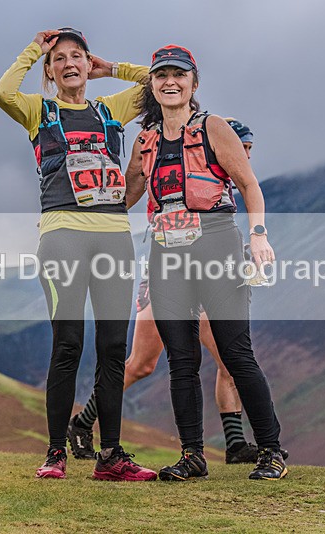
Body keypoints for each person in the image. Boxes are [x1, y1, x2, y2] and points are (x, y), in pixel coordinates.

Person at [68, 119, 288, 465]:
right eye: (242, 148)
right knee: (143, 365)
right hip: (167, 275)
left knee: (229, 359)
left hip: (207, 271)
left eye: (249, 150)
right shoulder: (185, 151)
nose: (245, 156)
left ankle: (235, 443)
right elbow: (134, 193)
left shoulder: (226, 179)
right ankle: (82, 422)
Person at [0, 28, 156, 481]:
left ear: (88, 63)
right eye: (60, 58)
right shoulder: (38, 111)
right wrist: (34, 50)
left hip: (114, 237)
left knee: (113, 347)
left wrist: (111, 68)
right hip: (62, 237)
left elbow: (160, 82)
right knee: (68, 344)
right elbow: (2, 93)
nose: (69, 63)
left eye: (77, 56)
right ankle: (55, 453)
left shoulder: (110, 109)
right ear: (50, 71)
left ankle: (112, 456)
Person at [124, 45, 287, 481]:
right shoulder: (145, 141)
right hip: (166, 250)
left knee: (236, 353)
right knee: (181, 360)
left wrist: (258, 235)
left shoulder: (213, 128)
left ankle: (271, 452)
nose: (170, 82)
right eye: (161, 76)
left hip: (216, 245)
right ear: (152, 84)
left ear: (193, 83)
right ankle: (192, 455)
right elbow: (126, 197)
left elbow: (249, 185)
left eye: (179, 75)